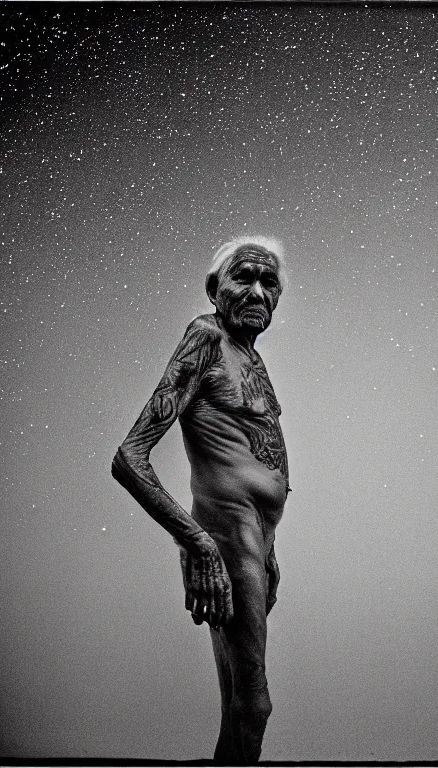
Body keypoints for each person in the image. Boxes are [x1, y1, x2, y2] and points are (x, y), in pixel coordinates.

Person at [111, 236, 290, 764]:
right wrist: (199, 543)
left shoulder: (248, 356)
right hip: (227, 540)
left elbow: (247, 456)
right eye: (244, 278)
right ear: (215, 289)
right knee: (254, 704)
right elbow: (130, 457)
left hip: (253, 543)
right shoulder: (206, 338)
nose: (258, 291)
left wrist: (269, 548)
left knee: (238, 704)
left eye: (269, 282)